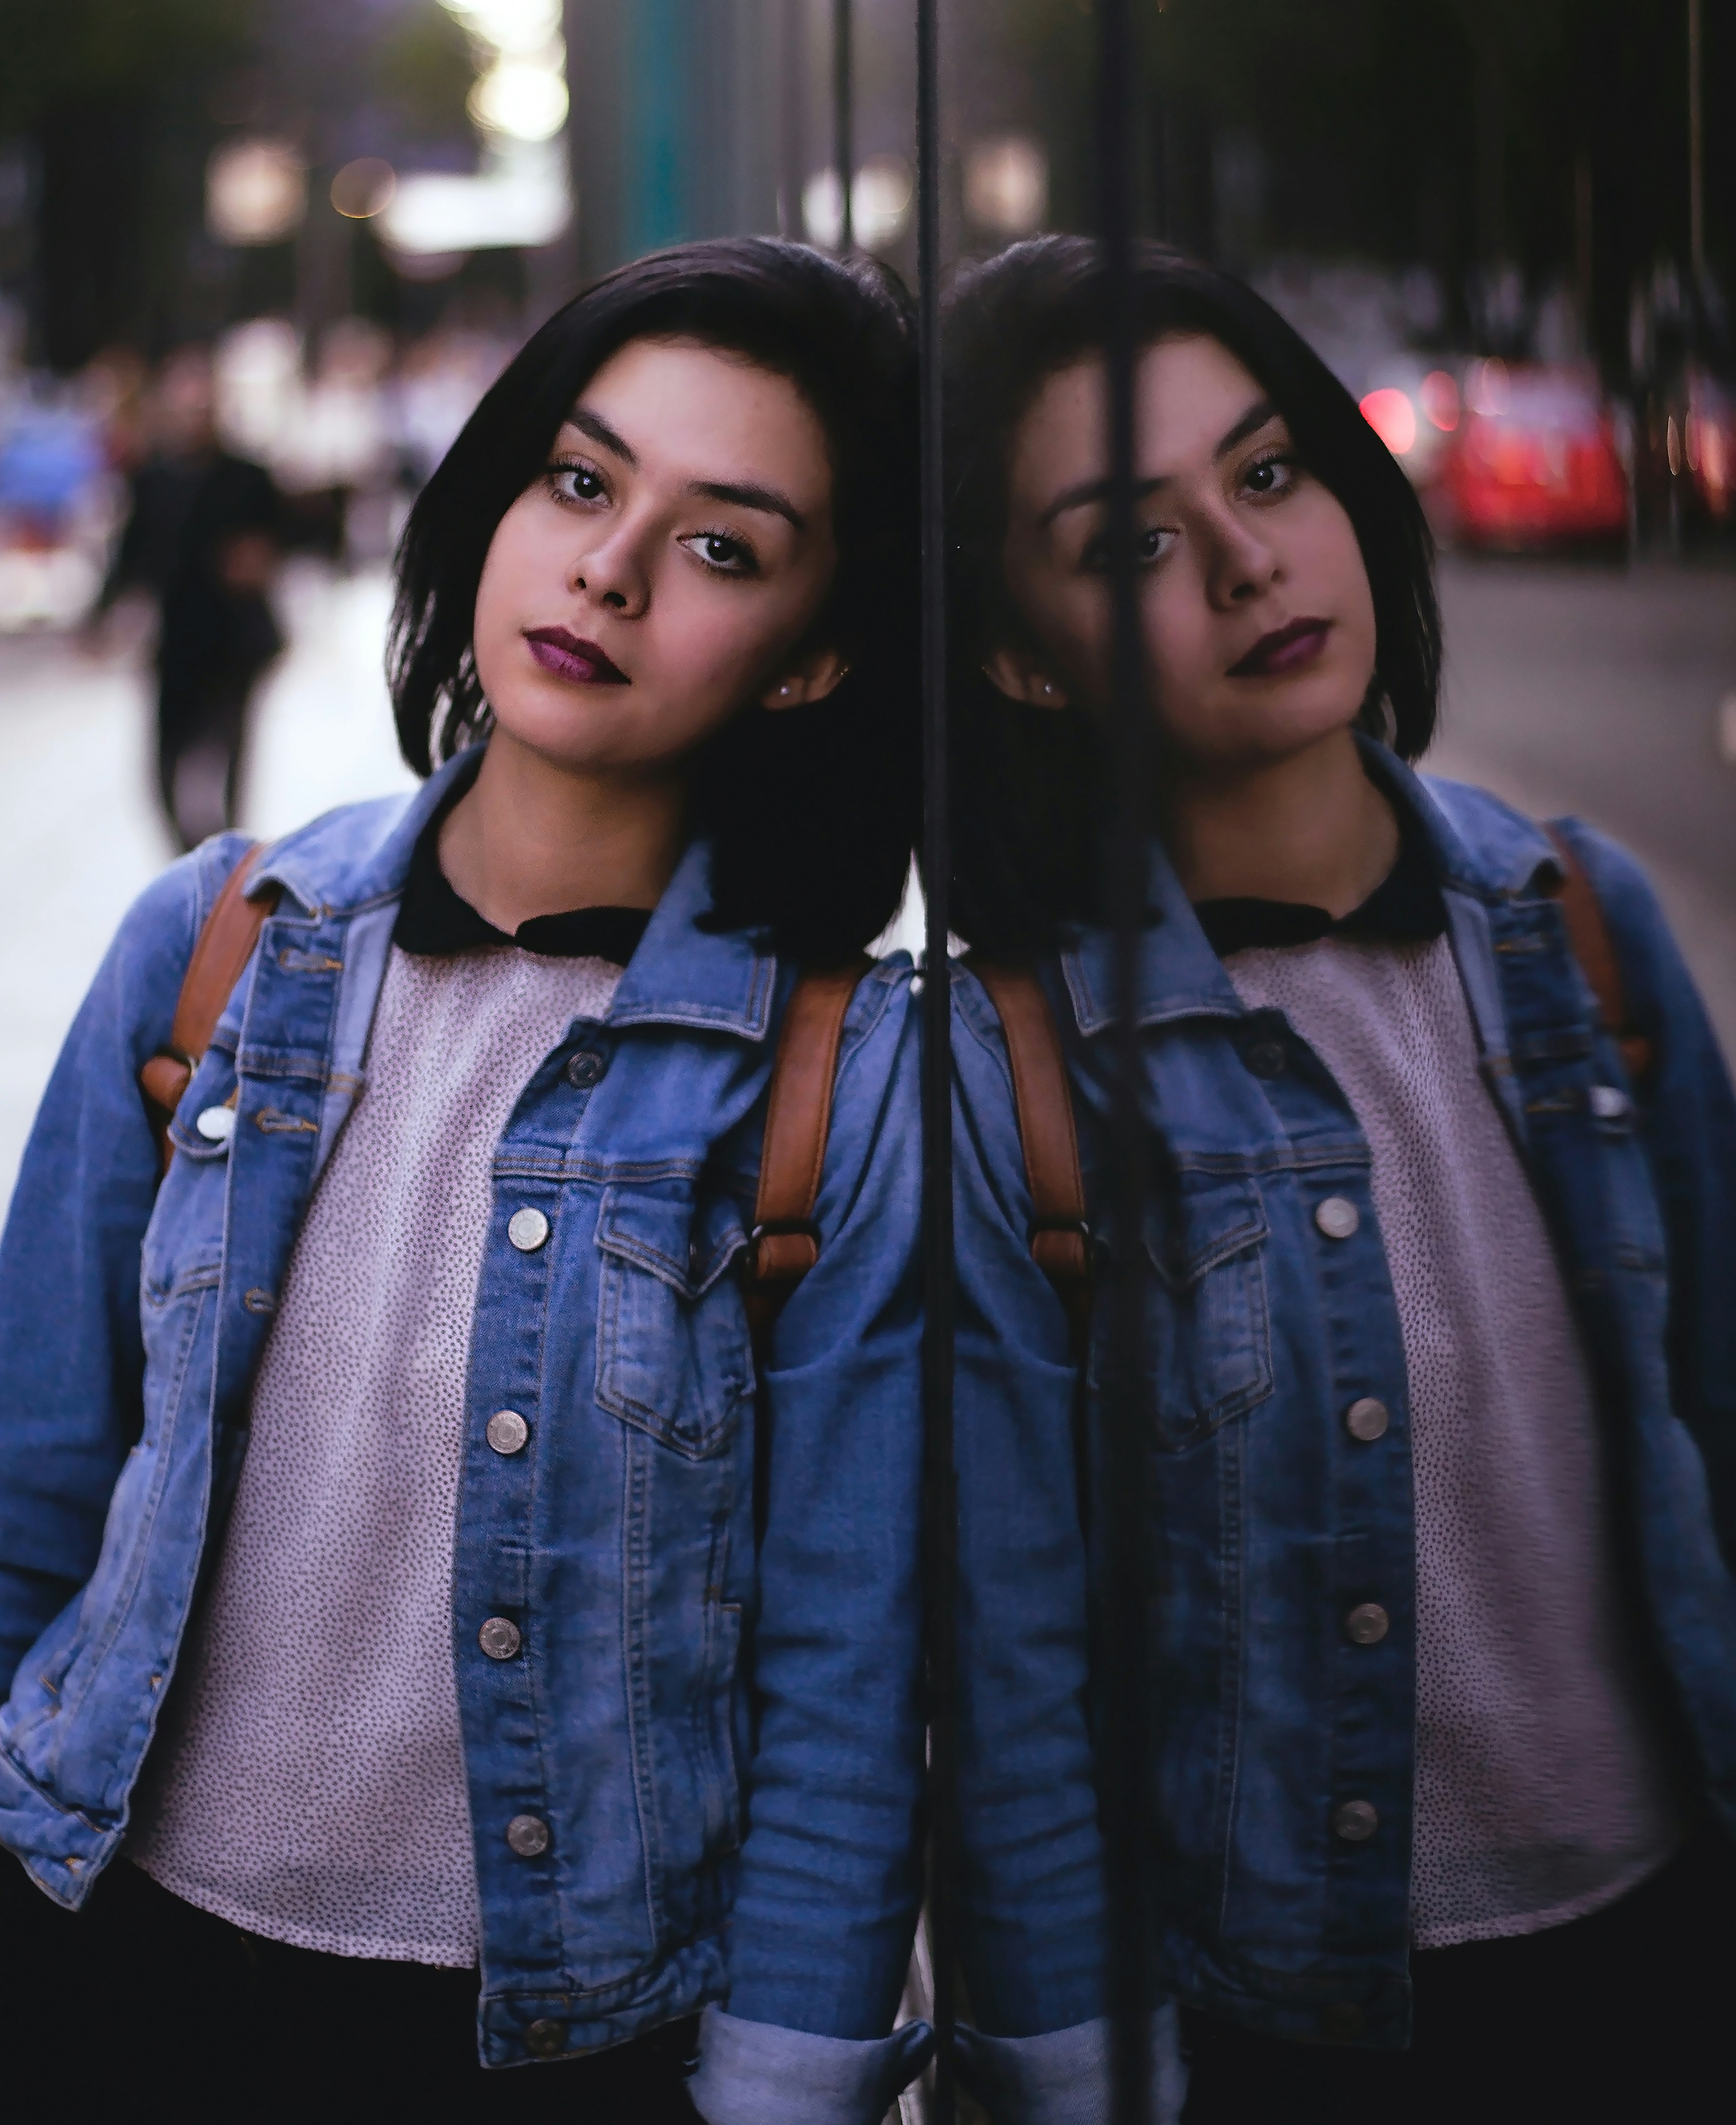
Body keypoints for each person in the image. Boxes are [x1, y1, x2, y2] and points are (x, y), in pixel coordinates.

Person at [0, 241, 932, 2120]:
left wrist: (788, 2079)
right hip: (103, 1952)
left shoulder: (843, 1077)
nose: (610, 566)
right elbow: (31, 1490)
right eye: (582, 481)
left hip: (559, 2037)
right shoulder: (217, 950)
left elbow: (848, 1690)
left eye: (724, 545)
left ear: (816, 652)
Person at [941, 236, 1736, 2123]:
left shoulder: (1576, 930)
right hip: (1275, 2018)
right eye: (1128, 538)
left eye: (1272, 470)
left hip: (1663, 1943)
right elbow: (1012, 1677)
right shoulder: (1011, 1054)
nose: (1245, 560)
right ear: (1011, 649)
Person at [93, 343, 284, 850]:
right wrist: (101, 617)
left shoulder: (247, 475)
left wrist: (263, 556)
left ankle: (226, 863)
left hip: (235, 638)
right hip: (177, 640)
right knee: (163, 768)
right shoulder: (153, 479)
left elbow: (293, 533)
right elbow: (131, 554)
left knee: (225, 763)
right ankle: (192, 863)